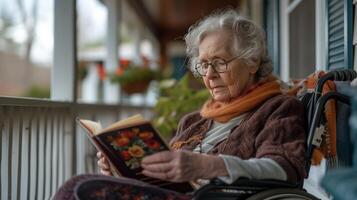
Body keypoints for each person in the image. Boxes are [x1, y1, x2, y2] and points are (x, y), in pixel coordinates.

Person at [55, 9, 306, 199]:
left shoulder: (278, 108)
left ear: (251, 61)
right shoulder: (194, 121)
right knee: (83, 186)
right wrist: (120, 167)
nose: (209, 75)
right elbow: (164, 179)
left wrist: (208, 165)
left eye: (220, 62)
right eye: (204, 65)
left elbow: (284, 168)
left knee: (78, 187)